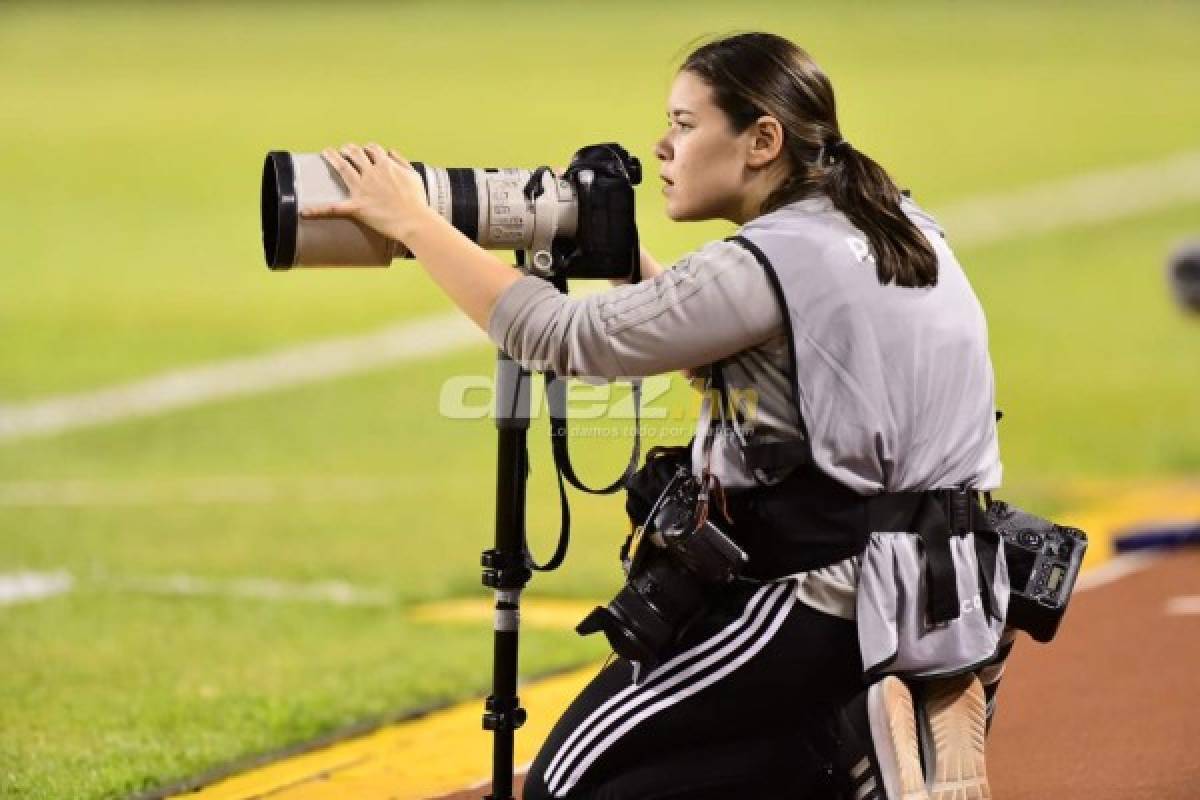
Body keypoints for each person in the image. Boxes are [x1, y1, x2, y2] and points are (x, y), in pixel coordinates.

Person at [303, 31, 1007, 800]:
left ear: (762, 139)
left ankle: (845, 751)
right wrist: (625, 261)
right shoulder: (895, 225)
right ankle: (843, 747)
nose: (662, 145)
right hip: (954, 582)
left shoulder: (767, 259)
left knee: (565, 783)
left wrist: (411, 219)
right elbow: (764, 351)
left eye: (683, 123)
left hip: (829, 592)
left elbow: (559, 337)